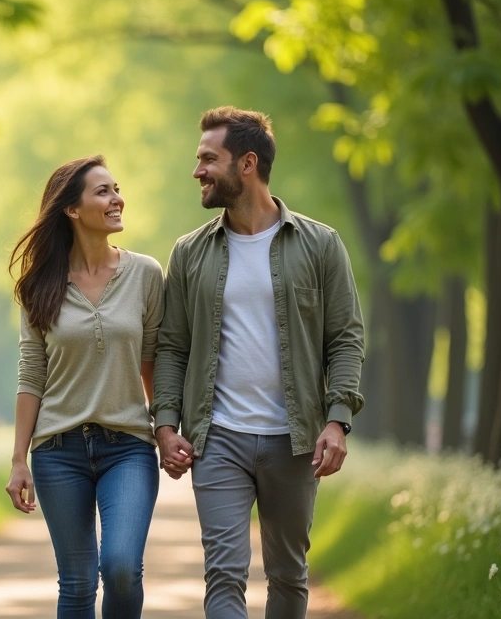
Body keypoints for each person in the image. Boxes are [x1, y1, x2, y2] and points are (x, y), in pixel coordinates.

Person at [151, 106, 365, 619]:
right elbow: (172, 346)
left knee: (288, 574)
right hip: (217, 437)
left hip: (295, 439)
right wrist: (165, 424)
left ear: (247, 164)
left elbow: (345, 338)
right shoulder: (189, 253)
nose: (197, 171)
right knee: (224, 573)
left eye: (209, 159)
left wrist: (337, 420)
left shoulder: (320, 244)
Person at [5, 155, 164, 619]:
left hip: (128, 447)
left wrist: (167, 428)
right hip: (58, 451)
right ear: (72, 209)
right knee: (76, 584)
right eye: (103, 191)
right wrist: (18, 459)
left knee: (121, 568)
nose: (117, 199)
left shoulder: (146, 274)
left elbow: (154, 361)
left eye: (117, 189)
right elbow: (31, 374)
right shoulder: (39, 286)